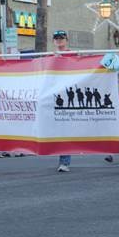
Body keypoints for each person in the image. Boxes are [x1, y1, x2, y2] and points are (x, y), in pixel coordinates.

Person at [51, 30, 74, 172]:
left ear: (67, 39)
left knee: (65, 127)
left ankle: (64, 161)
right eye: (56, 38)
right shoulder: (50, 57)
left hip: (69, 95)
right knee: (58, 128)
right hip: (54, 95)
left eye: (61, 38)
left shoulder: (72, 55)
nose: (59, 40)